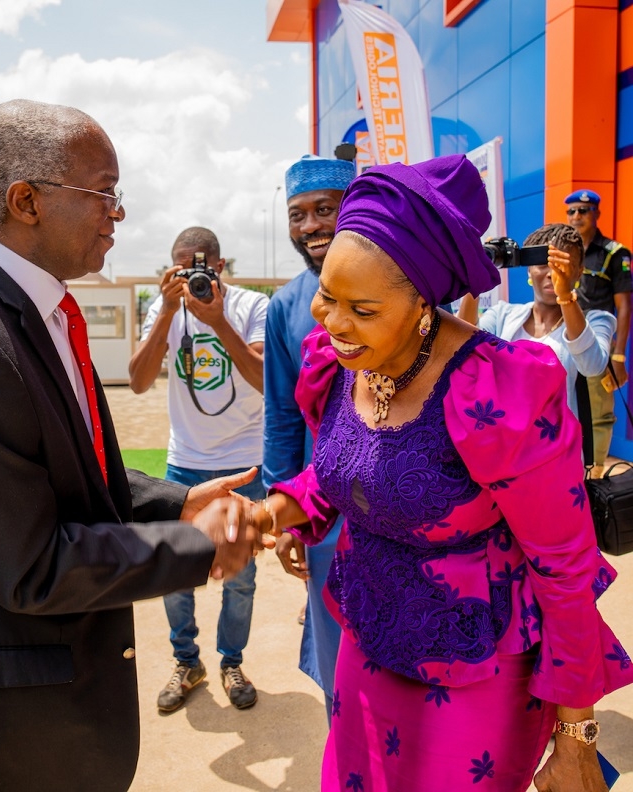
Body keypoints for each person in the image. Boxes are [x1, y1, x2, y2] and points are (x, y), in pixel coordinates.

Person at [0, 99, 266, 792]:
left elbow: (66, 474)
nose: (118, 215)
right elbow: (28, 563)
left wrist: (176, 502)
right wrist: (198, 544)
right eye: (104, 195)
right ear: (26, 201)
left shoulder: (33, 309)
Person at [249, 154, 633, 791]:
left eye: (362, 309)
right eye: (327, 298)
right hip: (367, 646)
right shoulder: (348, 360)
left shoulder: (496, 394)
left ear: (423, 306)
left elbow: (563, 566)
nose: (335, 324)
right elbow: (340, 473)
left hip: (475, 673)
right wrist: (268, 512)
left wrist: (576, 739)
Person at [129, 226, 267, 711]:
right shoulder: (163, 309)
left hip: (244, 465)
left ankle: (231, 661)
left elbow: (264, 377)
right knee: (175, 570)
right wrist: (168, 310)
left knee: (241, 575)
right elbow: (139, 380)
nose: (194, 278)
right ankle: (187, 660)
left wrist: (216, 321)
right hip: (183, 462)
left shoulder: (252, 306)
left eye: (201, 268)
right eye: (183, 269)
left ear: (221, 267)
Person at [263, 154, 353, 724]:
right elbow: (281, 419)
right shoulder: (287, 306)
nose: (311, 226)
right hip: (325, 515)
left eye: (325, 210)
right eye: (298, 215)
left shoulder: (415, 288)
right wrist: (284, 514)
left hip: (412, 512)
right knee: (338, 655)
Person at [458, 223, 615, 419]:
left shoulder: (596, 321)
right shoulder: (502, 316)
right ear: (528, 270)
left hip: (558, 446)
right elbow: (462, 347)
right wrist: (476, 278)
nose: (552, 274)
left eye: (561, 266)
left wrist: (565, 296)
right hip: (505, 443)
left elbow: (592, 366)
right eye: (543, 264)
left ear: (579, 272)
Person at [566, 189, 632, 477]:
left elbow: (625, 306)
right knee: (565, 408)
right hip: (564, 343)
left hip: (598, 346)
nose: (577, 216)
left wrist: (618, 356)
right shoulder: (561, 250)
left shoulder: (615, 254)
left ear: (597, 213)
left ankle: (594, 478)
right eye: (572, 211)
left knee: (598, 416)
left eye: (584, 210)